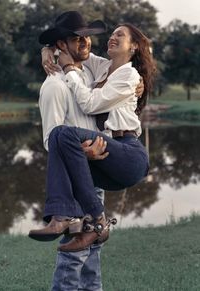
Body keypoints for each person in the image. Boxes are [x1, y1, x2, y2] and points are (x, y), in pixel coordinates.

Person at [29, 11, 144, 291]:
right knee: (73, 257)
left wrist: (134, 84)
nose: (84, 42)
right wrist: (49, 49)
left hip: (98, 166)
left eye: (86, 36)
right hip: (77, 173)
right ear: (61, 45)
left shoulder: (93, 71)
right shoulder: (55, 86)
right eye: (74, 38)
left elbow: (119, 76)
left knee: (92, 256)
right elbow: (51, 140)